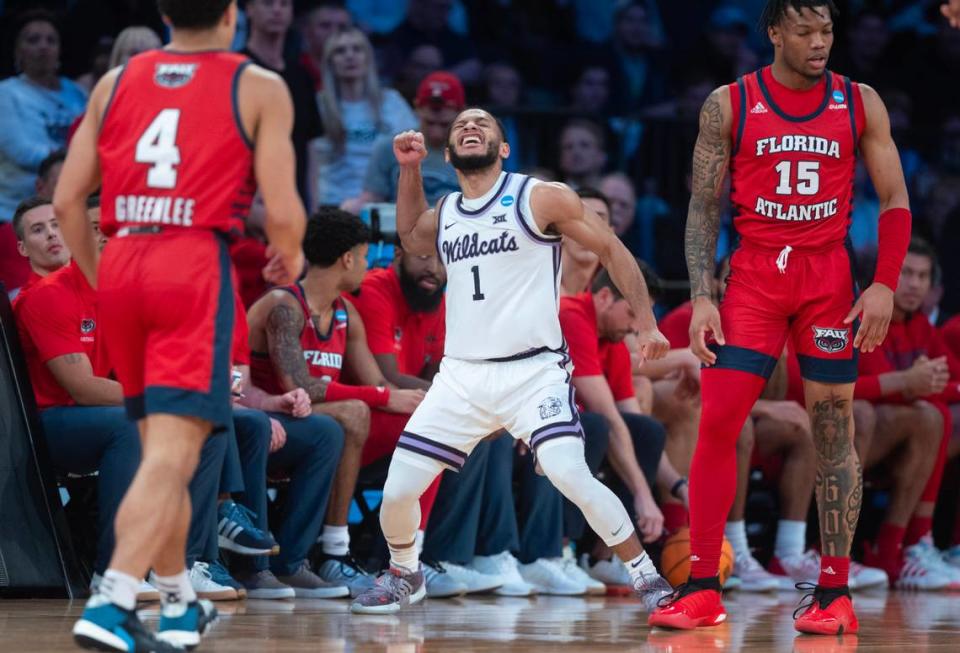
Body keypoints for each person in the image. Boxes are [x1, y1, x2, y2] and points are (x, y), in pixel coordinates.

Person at [650, 0, 912, 636]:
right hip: (755, 279)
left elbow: (896, 197)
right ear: (773, 33)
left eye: (827, 30)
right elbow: (703, 208)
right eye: (805, 31)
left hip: (826, 278)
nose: (819, 42)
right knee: (717, 422)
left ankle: (834, 592)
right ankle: (705, 586)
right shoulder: (730, 103)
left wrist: (883, 285)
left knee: (832, 428)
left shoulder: (860, 101)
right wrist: (703, 292)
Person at [350, 107, 672, 615]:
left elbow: (610, 247)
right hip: (461, 376)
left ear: (503, 148)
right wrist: (409, 169)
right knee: (397, 491)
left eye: (482, 123)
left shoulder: (539, 196)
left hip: (533, 372)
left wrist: (647, 322)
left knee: (571, 474)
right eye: (460, 126)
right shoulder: (447, 211)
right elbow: (412, 237)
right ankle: (404, 572)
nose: (469, 126)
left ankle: (648, 579)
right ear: (451, 152)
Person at [54, 0, 306, 649]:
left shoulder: (114, 82)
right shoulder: (257, 84)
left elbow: (64, 199)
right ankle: (112, 598)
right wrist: (293, 250)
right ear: (232, 16)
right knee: (173, 451)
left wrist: (100, 274)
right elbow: (281, 210)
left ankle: (176, 603)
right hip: (191, 262)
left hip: (123, 260)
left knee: (163, 448)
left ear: (166, 14)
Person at [244, 209, 430, 597]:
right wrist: (382, 397)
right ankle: (330, 549)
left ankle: (394, 554)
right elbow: (301, 387)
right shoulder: (284, 305)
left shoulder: (346, 313)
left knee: (423, 426)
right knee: (351, 412)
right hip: (265, 417)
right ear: (348, 258)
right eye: (364, 257)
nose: (366, 266)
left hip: (311, 425)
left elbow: (377, 383)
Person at [854, 239, 960, 589]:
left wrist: (921, 385)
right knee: (924, 415)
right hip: (851, 434)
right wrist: (909, 383)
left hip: (896, 441)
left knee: (937, 414)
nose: (915, 284)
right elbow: (856, 388)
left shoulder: (920, 327)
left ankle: (910, 547)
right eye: (907, 273)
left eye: (923, 276)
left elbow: (945, 381)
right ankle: (903, 544)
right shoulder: (863, 318)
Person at [0, 11, 87, 293]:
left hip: (71, 212)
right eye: (32, 40)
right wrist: (78, 157)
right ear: (18, 51)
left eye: (51, 40)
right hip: (15, 215)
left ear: (60, 50)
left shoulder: (77, 94)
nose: (42, 46)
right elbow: (23, 151)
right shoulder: (7, 93)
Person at [311, 28, 417, 207]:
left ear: (368, 58)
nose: (349, 56)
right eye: (340, 51)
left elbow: (416, 155)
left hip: (384, 204)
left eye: (357, 49)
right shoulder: (317, 106)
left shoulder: (392, 103)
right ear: (330, 62)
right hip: (330, 204)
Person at [343, 71, 465, 213]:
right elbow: (372, 198)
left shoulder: (474, 152)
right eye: (429, 123)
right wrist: (352, 207)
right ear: (416, 108)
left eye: (444, 124)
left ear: (461, 112)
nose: (436, 132)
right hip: (399, 229)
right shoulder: (391, 146)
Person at [243, 0, 324, 204]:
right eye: (268, 4)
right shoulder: (237, 70)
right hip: (247, 201)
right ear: (249, 9)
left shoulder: (302, 75)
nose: (277, 10)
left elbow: (310, 144)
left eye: (284, 4)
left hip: (295, 199)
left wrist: (312, 205)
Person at [10, 197, 70, 303]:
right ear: (23, 248)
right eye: (38, 230)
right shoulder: (31, 301)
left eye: (56, 224)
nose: (51, 233)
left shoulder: (95, 279)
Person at [298, 1, 353, 90]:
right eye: (325, 26)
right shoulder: (293, 70)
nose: (334, 32)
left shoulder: (359, 73)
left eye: (342, 27)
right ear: (306, 30)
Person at [558, 120, 607, 190]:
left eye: (584, 145)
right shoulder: (552, 195)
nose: (576, 152)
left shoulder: (613, 195)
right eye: (569, 146)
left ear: (601, 155)